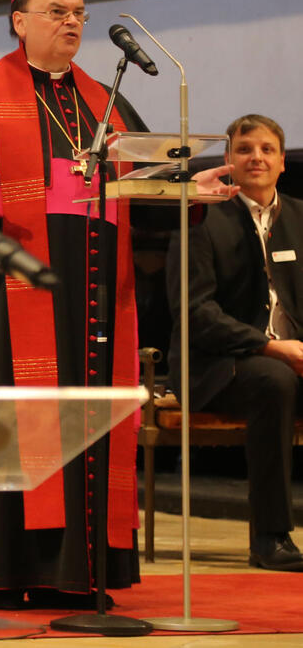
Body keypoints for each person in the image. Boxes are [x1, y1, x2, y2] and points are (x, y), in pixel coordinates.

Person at [0, 0, 234, 609]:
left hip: (93, 289)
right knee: (17, 420)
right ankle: (13, 569)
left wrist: (188, 194)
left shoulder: (108, 104)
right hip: (11, 292)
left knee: (88, 417)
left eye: (81, 14)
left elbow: (146, 192)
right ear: (20, 20)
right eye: (58, 11)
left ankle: (86, 568)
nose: (73, 23)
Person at [167, 114, 303, 571]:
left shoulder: (301, 218)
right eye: (245, 150)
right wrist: (271, 347)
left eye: (267, 149)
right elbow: (195, 312)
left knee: (281, 375)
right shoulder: (201, 217)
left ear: (283, 161)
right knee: (274, 380)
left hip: (292, 356)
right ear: (228, 161)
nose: (256, 158)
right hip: (217, 365)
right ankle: (271, 536)